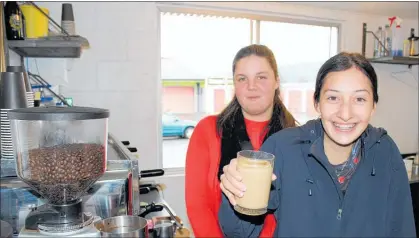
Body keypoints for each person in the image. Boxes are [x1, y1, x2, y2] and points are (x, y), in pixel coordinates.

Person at [218, 52, 416, 237]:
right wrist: (235, 192)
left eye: (359, 99)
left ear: (373, 106)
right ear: (317, 103)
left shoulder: (385, 151)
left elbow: (402, 228)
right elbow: (240, 231)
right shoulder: (284, 148)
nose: (345, 114)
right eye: (332, 98)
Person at [184, 44, 297, 237]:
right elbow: (198, 206)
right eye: (242, 78)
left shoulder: (294, 137)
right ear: (234, 84)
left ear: (276, 81)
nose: (251, 86)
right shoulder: (208, 130)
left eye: (261, 77)